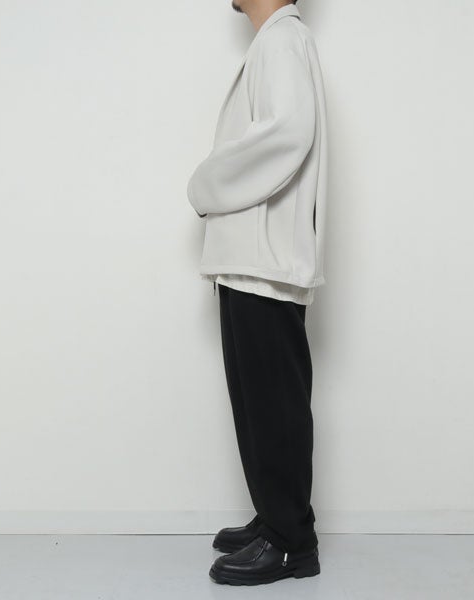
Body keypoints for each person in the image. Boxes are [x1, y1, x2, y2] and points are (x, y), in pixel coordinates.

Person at [186, 0, 328, 586]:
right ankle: (277, 517)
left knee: (274, 403)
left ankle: (292, 542)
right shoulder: (274, 41)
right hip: (252, 258)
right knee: (259, 401)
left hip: (264, 259)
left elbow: (289, 131)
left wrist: (206, 183)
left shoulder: (281, 39)